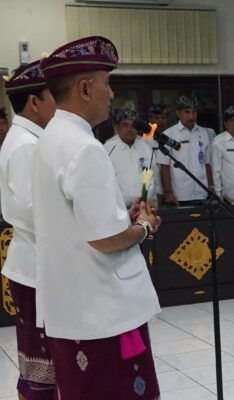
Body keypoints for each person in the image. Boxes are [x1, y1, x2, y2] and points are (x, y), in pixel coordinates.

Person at [34, 35, 162, 399]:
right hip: (102, 311)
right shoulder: (85, 148)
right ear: (86, 88)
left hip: (69, 306)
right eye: (107, 83)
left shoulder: (50, 138)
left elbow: (76, 220)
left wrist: (121, 215)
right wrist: (143, 226)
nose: (112, 93)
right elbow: (105, 240)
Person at [0, 59, 57, 400]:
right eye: (53, 96)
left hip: (40, 265)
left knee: (40, 365)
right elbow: (29, 209)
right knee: (40, 369)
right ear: (34, 102)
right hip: (35, 267)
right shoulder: (25, 144)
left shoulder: (29, 138)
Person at [157, 95, 214, 206]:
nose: (191, 116)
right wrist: (168, 193)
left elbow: (207, 164)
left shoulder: (204, 133)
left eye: (194, 112)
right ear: (178, 113)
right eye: (187, 112)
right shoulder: (169, 134)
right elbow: (164, 166)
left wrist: (211, 187)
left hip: (203, 193)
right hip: (180, 195)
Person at [104, 108, 155, 207]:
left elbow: (151, 178)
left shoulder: (146, 149)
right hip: (119, 208)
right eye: (125, 125)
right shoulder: (107, 149)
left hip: (145, 207)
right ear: (117, 127)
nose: (130, 129)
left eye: (133, 125)